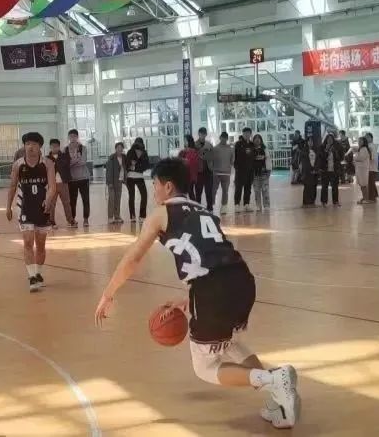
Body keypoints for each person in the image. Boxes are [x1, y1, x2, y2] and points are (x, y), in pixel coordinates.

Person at [94, 158, 301, 429]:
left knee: (205, 367)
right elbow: (209, 255)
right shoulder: (202, 210)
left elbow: (133, 258)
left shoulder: (161, 213)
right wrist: (189, 299)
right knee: (229, 341)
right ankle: (278, 397)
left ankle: (274, 379)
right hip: (242, 280)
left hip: (212, 288)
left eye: (155, 185)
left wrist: (108, 294)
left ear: (168, 186)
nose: (154, 191)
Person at [6, 132, 57, 293]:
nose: (30, 147)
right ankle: (32, 276)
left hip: (42, 207)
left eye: (34, 144)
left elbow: (52, 187)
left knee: (40, 245)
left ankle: (38, 273)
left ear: (40, 147)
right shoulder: (18, 165)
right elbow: (13, 186)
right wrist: (8, 206)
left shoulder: (47, 163)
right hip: (25, 207)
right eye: (27, 144)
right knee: (28, 242)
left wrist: (48, 200)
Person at [45, 139, 75, 228]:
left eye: (56, 146)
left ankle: (70, 220)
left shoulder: (65, 156)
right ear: (50, 147)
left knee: (67, 203)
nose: (54, 148)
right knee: (51, 204)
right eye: (52, 146)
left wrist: (54, 162)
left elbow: (66, 165)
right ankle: (51, 221)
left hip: (63, 183)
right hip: (52, 184)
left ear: (59, 147)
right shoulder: (46, 158)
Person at [65, 130, 91, 227]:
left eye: (74, 136)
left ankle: (86, 219)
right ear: (68, 137)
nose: (72, 138)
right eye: (70, 136)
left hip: (83, 178)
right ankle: (73, 219)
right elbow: (66, 164)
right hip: (72, 179)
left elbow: (83, 161)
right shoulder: (65, 149)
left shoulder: (83, 148)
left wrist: (72, 162)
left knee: (85, 199)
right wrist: (76, 160)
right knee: (72, 201)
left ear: (77, 137)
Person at [125, 138, 150, 222]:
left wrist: (134, 167)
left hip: (133, 176)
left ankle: (134, 216)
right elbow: (145, 165)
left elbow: (128, 164)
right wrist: (138, 167)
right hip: (136, 176)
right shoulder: (141, 152)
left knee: (133, 196)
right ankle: (140, 216)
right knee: (142, 195)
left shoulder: (131, 152)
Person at [209, 132, 232, 214]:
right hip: (216, 173)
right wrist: (212, 169)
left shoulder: (230, 149)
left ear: (227, 139)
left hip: (226, 173)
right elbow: (211, 160)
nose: (224, 139)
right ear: (220, 138)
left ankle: (224, 207)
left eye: (225, 138)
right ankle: (211, 205)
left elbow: (232, 160)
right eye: (222, 138)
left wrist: (229, 167)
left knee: (225, 191)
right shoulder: (215, 148)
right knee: (213, 190)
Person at [233, 128, 255, 212]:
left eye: (248, 133)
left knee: (248, 188)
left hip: (250, 170)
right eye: (245, 133)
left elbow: (253, 157)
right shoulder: (238, 144)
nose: (247, 134)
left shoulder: (252, 144)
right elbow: (234, 156)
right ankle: (237, 205)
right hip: (240, 171)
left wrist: (252, 168)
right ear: (242, 134)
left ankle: (246, 204)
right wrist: (236, 167)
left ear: (250, 134)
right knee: (238, 188)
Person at [105, 141, 127, 224]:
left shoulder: (124, 157)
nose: (119, 149)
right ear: (115, 149)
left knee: (118, 199)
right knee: (111, 199)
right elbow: (108, 171)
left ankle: (117, 216)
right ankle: (110, 217)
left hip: (120, 181)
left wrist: (125, 179)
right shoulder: (111, 157)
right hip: (112, 182)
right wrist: (109, 182)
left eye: (121, 148)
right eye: (118, 148)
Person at [318, 133, 343, 206]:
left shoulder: (337, 147)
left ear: (333, 140)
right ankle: (324, 202)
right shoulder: (322, 147)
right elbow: (321, 158)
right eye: (328, 139)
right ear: (326, 140)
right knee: (324, 186)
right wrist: (326, 150)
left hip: (334, 170)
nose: (329, 140)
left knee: (335, 186)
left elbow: (341, 157)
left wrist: (335, 152)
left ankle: (335, 201)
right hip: (325, 170)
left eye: (331, 139)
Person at [251, 134, 271, 212]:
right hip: (255, 174)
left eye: (258, 138)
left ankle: (267, 205)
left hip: (264, 173)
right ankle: (258, 205)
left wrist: (269, 170)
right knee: (256, 191)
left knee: (265, 190)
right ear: (253, 140)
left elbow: (268, 160)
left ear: (261, 140)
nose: (257, 140)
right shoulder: (251, 149)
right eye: (255, 138)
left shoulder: (265, 149)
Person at [195, 128, 214, 208]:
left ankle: (210, 207)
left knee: (209, 191)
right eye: (201, 134)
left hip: (208, 171)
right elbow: (194, 157)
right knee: (198, 191)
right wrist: (202, 152)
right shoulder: (194, 145)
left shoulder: (209, 144)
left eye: (204, 134)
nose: (202, 135)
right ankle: (198, 207)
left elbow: (212, 156)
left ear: (206, 134)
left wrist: (206, 156)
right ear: (198, 134)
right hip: (199, 172)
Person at [353, 136, 374, 205]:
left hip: (362, 170)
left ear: (364, 142)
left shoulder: (364, 149)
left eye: (360, 141)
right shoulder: (361, 149)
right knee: (362, 185)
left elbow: (360, 158)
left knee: (363, 185)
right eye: (358, 141)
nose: (359, 142)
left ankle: (366, 199)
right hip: (360, 169)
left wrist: (355, 156)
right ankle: (364, 198)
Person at [179, 136, 200, 201]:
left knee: (190, 191)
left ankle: (193, 204)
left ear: (189, 141)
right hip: (186, 174)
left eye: (185, 140)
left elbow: (191, 162)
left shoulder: (193, 151)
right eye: (184, 140)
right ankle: (191, 204)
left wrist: (183, 160)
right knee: (188, 192)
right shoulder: (183, 151)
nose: (184, 142)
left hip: (191, 175)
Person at [300, 136, 318, 207]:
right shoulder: (304, 151)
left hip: (315, 171)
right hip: (307, 172)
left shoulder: (315, 150)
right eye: (309, 141)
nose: (311, 142)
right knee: (307, 187)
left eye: (312, 141)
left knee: (314, 186)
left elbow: (318, 160)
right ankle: (306, 202)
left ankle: (312, 201)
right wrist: (310, 169)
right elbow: (304, 162)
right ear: (307, 142)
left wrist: (315, 169)